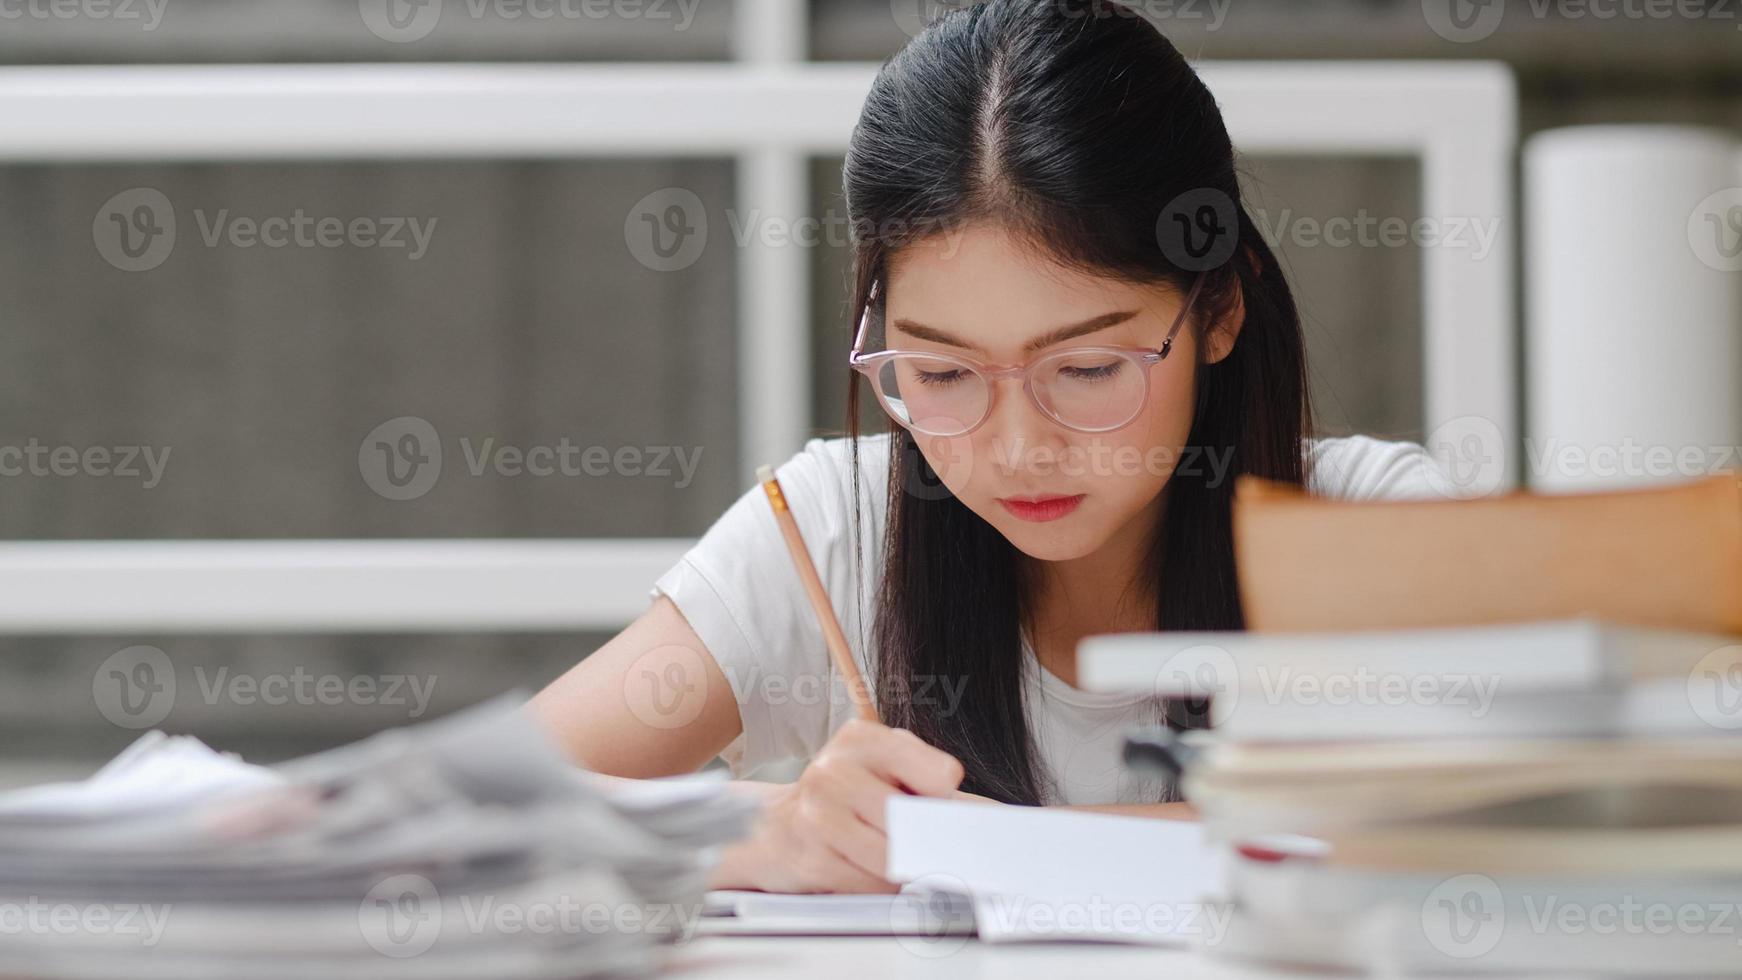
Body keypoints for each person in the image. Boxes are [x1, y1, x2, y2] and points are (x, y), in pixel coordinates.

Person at [531, 0, 1453, 894]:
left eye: (1087, 368)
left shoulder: (1366, 527)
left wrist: (964, 845)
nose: (1016, 450)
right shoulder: (836, 530)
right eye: (941, 374)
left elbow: (1454, 833)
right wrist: (766, 828)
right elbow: (471, 819)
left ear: (1219, 310)